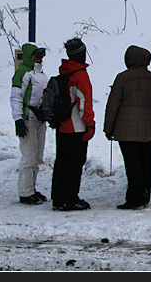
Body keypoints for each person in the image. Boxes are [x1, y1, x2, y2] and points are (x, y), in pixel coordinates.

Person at [104, 44, 151, 210]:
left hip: (126, 131)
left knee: (132, 164)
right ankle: (145, 194)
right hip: (149, 129)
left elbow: (113, 105)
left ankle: (134, 198)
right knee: (145, 162)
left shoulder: (122, 78)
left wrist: (108, 128)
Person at [51, 37, 95, 212]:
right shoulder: (80, 75)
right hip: (76, 127)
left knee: (62, 161)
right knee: (75, 163)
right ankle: (69, 198)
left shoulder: (64, 72)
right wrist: (90, 124)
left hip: (62, 126)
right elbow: (84, 103)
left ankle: (58, 197)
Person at [10, 42, 49, 205]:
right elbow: (16, 96)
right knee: (29, 157)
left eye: (41, 56)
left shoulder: (40, 74)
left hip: (39, 119)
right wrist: (18, 119)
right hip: (27, 119)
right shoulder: (23, 73)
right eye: (36, 55)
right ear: (29, 56)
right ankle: (25, 192)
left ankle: (31, 189)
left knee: (37, 157)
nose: (39, 59)